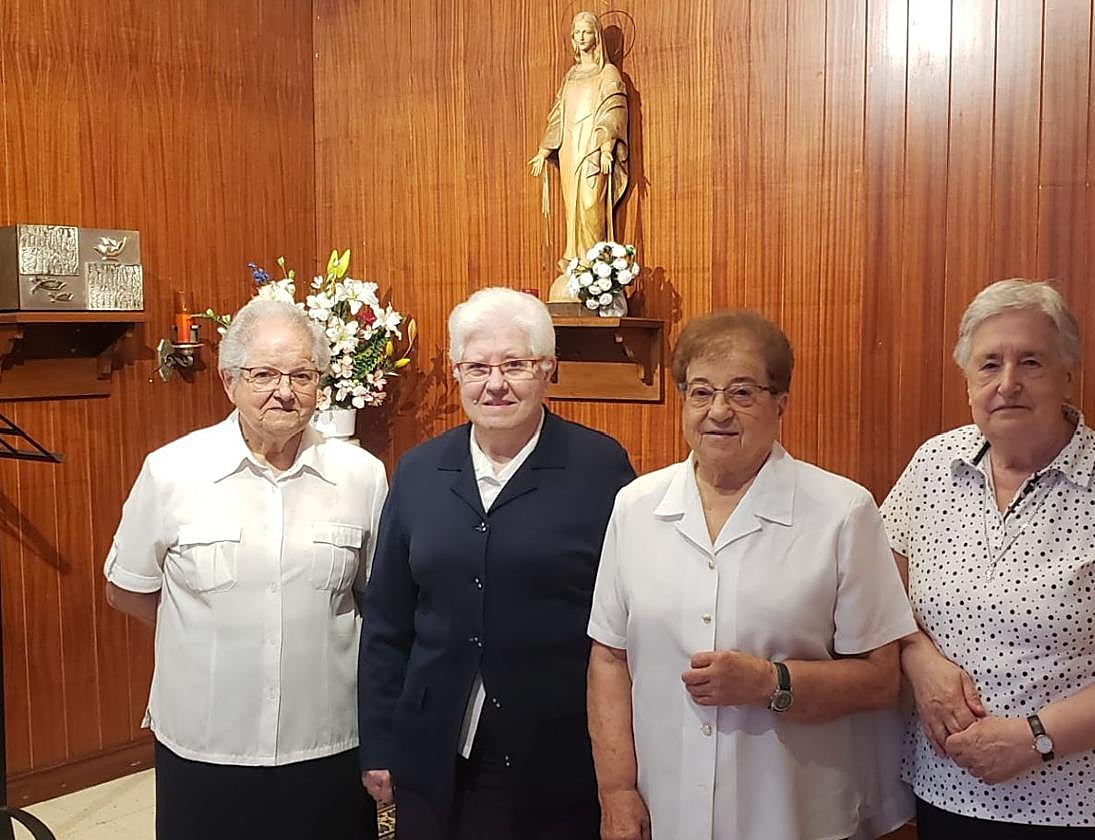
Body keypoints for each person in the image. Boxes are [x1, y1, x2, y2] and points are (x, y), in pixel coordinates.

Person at [881, 279, 1095, 839]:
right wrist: (919, 661)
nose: (1008, 383)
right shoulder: (933, 465)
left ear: (1067, 375)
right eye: (989, 365)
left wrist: (1034, 737)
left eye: (1031, 361)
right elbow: (879, 604)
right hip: (953, 793)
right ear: (967, 382)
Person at [588, 309, 917, 840]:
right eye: (700, 392)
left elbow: (881, 679)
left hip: (791, 811)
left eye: (742, 393)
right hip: (664, 809)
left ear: (780, 402)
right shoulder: (636, 506)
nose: (718, 411)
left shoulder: (842, 511)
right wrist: (617, 792)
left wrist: (771, 681)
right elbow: (608, 656)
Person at [358, 287, 636, 840]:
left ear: (549, 370)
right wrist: (380, 744)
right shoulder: (418, 472)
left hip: (557, 754)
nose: (495, 383)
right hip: (434, 748)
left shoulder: (600, 469)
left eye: (516, 365)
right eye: (477, 366)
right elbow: (388, 621)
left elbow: (626, 621)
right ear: (457, 372)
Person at [104, 299, 386, 840]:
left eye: (302, 375)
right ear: (229, 381)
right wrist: (210, 634)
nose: (285, 391)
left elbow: (375, 599)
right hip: (206, 742)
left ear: (321, 383)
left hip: (326, 742)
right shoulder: (172, 472)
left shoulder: (361, 476)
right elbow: (129, 589)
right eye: (264, 374)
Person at [529, 10, 630, 277]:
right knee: (571, 207)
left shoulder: (607, 72)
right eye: (576, 33)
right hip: (569, 149)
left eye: (586, 31)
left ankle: (595, 267)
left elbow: (614, 109)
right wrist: (544, 151)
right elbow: (558, 113)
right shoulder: (571, 74)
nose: (581, 37)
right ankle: (574, 263)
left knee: (590, 203)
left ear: (596, 35)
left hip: (593, 149)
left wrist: (607, 148)